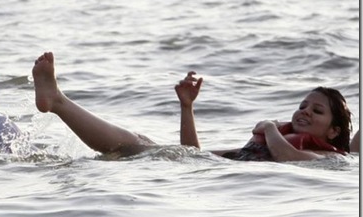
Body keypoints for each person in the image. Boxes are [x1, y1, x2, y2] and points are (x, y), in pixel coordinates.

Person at [32, 52, 352, 162]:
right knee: (138, 142)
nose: (305, 112)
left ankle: (58, 101)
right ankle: (58, 101)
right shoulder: (282, 141)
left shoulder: (326, 157)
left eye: (317, 111)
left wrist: (269, 127)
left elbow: (290, 160)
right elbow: (195, 155)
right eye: (303, 105)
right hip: (203, 171)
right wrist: (187, 108)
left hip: (212, 179)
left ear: (334, 131)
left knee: (134, 145)